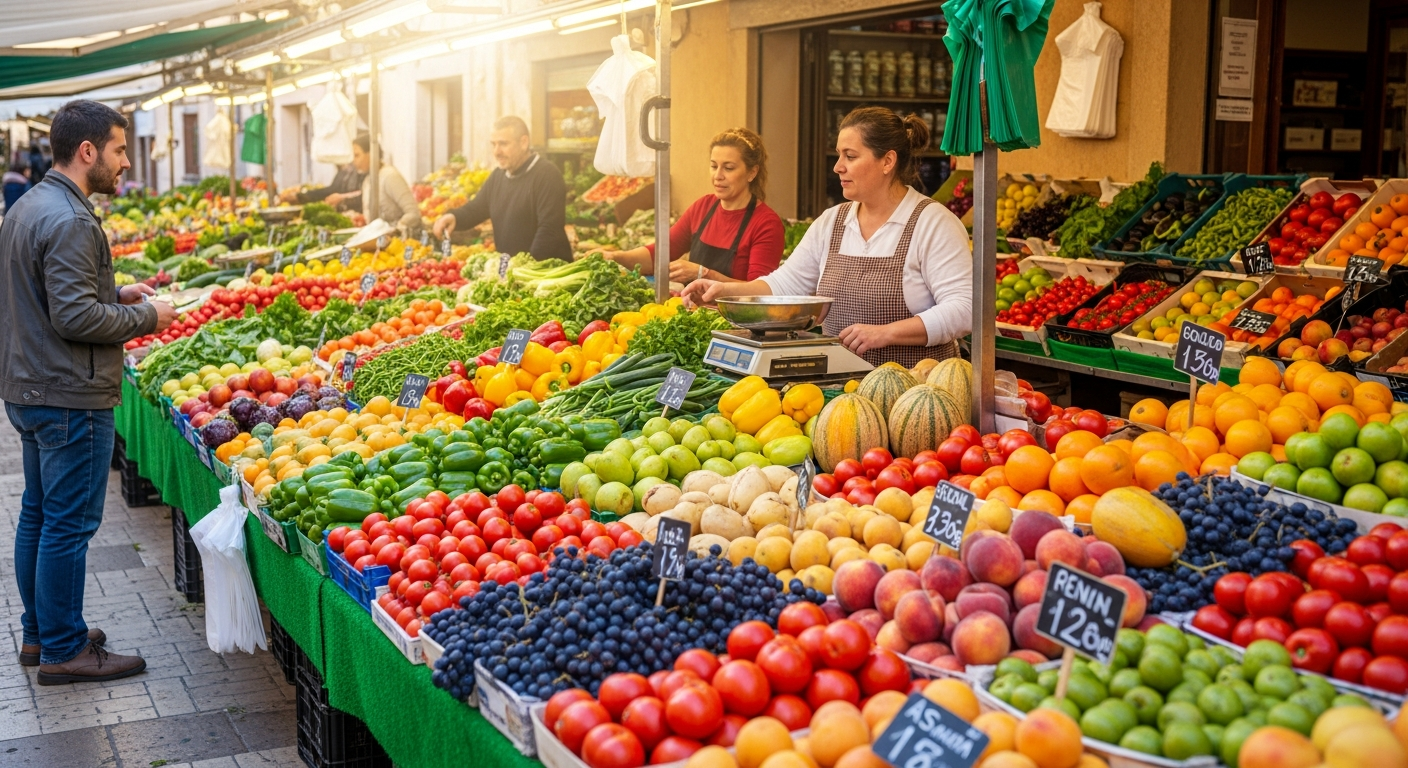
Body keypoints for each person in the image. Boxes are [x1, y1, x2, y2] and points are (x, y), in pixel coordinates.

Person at [0, 99, 176, 684]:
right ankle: (65, 649)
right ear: (88, 151)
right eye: (121, 149)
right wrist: (149, 316)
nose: (126, 162)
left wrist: (115, 291)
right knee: (69, 524)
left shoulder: (28, 205)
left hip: (29, 386)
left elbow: (51, 295)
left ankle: (40, 631)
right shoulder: (74, 219)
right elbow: (75, 318)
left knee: (41, 515)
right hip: (69, 392)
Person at [683, 107, 971, 366]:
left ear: (887, 161)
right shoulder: (832, 222)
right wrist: (722, 290)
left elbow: (964, 310)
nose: (838, 167)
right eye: (838, 155)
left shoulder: (933, 224)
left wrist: (886, 333)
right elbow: (786, 284)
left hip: (916, 394)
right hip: (842, 390)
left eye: (851, 156)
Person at [589, 128, 784, 284]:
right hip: (693, 316)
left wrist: (703, 274)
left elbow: (760, 293)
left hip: (736, 326)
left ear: (752, 172)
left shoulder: (766, 224)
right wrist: (614, 257)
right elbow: (660, 254)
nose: (718, 175)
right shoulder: (703, 207)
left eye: (729, 168)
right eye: (714, 166)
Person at [431, 116, 571, 261]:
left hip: (544, 274)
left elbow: (549, 230)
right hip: (512, 274)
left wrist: (525, 270)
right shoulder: (498, 176)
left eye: (503, 144)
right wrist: (454, 217)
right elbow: (476, 208)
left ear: (523, 142)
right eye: (494, 144)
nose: (496, 152)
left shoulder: (547, 175)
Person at [351, 134, 421, 235]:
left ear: (371, 154)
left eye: (357, 155)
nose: (353, 160)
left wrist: (395, 230)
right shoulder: (367, 181)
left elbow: (413, 213)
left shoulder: (390, 176)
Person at [278, 160, 366, 212]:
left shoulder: (357, 172)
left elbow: (363, 194)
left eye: (357, 155)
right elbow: (332, 190)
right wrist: (301, 196)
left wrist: (301, 196)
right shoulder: (345, 171)